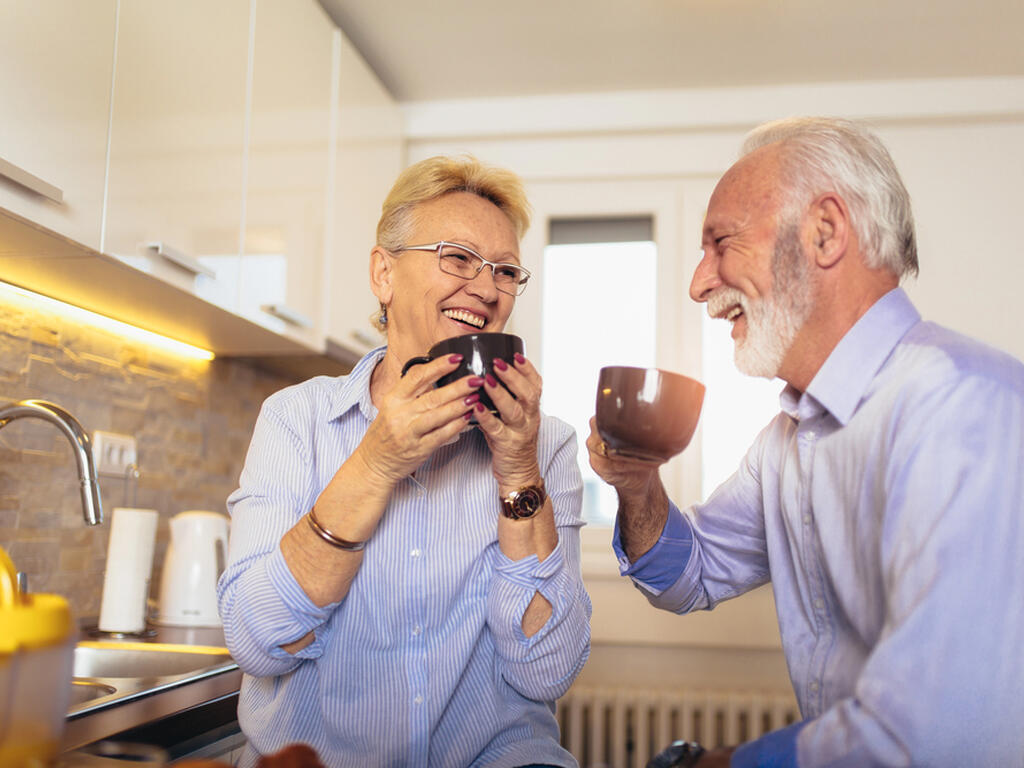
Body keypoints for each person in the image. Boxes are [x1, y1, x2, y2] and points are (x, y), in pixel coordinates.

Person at [586, 117, 1024, 767]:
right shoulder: (788, 439)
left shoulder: (966, 408)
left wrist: (714, 765)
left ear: (824, 232)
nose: (699, 283)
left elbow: (936, 736)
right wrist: (636, 484)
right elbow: (687, 574)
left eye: (720, 242)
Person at [220, 155, 592, 767]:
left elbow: (547, 670)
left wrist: (519, 468)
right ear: (383, 274)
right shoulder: (296, 420)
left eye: (505, 270)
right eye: (457, 257)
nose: (486, 287)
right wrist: (375, 462)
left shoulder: (543, 443)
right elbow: (259, 642)